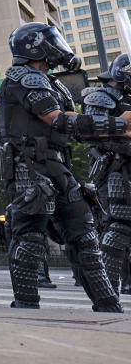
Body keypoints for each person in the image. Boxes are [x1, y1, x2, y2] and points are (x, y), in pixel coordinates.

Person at [0, 22, 131, 312]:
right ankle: (26, 304)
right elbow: (57, 120)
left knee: (85, 233)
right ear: (35, 47)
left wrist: (115, 128)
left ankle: (108, 303)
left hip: (57, 165)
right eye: (51, 41)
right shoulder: (22, 77)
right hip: (28, 167)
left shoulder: (51, 82)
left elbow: (76, 128)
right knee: (30, 235)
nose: (59, 46)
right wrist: (121, 123)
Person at [84, 53, 131, 297]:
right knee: (119, 227)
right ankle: (107, 289)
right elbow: (93, 134)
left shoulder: (127, 99)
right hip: (113, 171)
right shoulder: (100, 97)